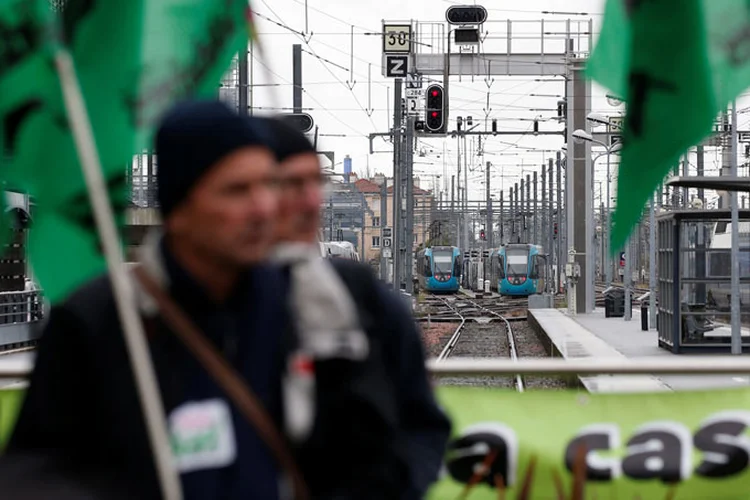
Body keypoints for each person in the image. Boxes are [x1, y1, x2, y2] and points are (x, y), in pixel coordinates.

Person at [261, 116, 452, 499]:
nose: (311, 200)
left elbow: (422, 425)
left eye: (316, 184)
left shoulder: (364, 300)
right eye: (290, 184)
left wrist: (397, 484)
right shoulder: (190, 309)